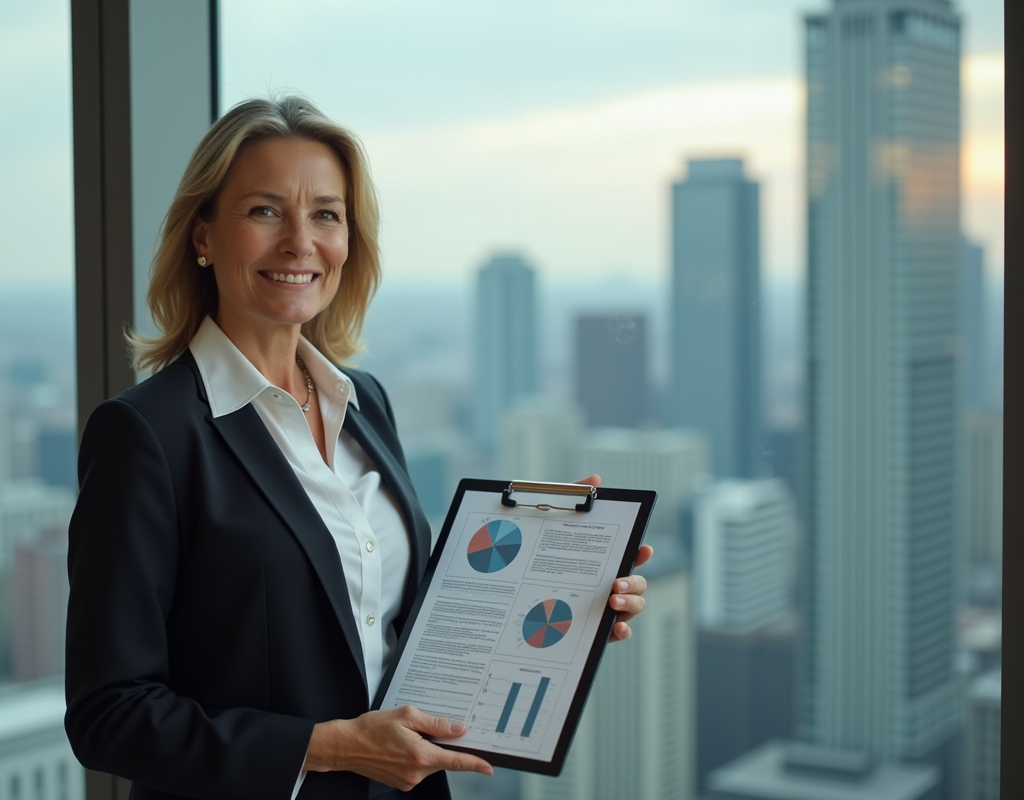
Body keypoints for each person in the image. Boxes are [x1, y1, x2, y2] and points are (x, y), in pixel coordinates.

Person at [64, 95, 653, 800]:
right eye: (264, 210)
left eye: (326, 214)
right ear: (202, 236)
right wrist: (327, 749)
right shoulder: (147, 435)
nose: (300, 242)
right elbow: (109, 714)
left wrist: (567, 595)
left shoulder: (364, 400)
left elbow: (388, 620)